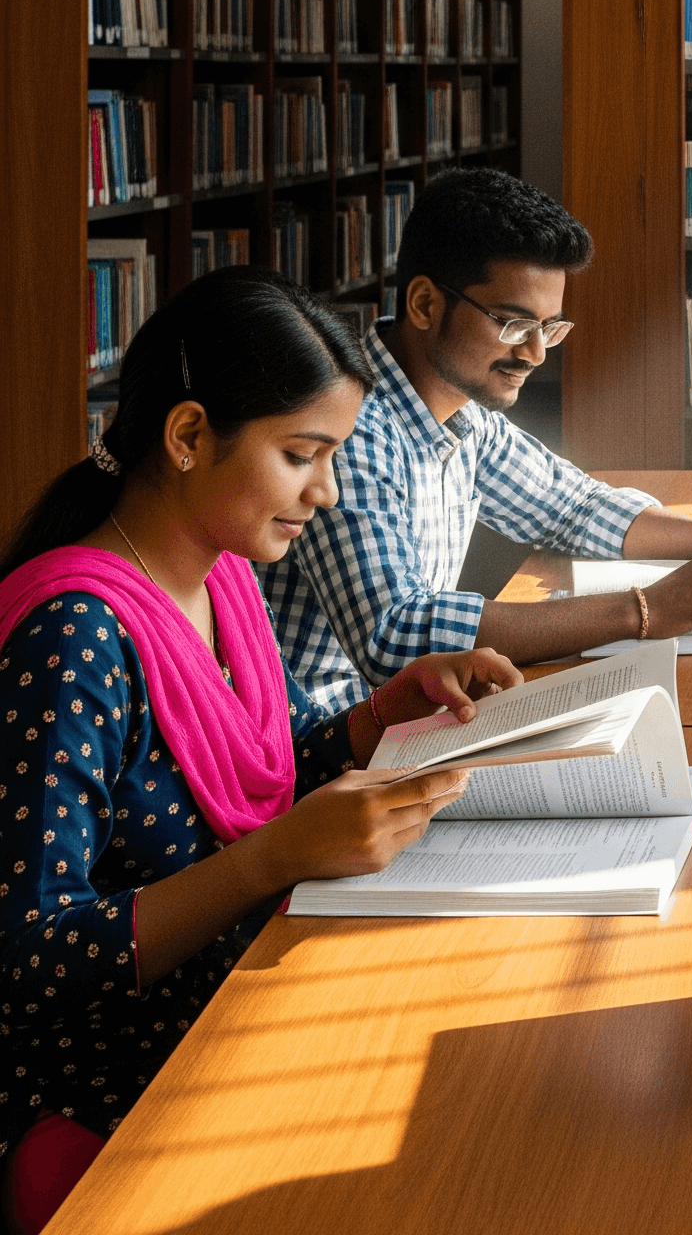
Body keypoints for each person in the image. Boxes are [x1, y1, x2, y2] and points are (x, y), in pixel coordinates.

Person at [0, 268, 518, 1234]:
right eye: (300, 456)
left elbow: (252, 773)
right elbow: (32, 956)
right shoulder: (74, 637)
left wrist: (378, 716)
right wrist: (272, 860)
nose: (327, 492)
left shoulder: (225, 580)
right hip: (123, 1078)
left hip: (236, 1000)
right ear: (189, 437)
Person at [263, 167, 692, 716]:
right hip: (329, 738)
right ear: (426, 305)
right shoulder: (350, 429)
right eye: (513, 324)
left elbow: (571, 506)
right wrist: (645, 609)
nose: (534, 354)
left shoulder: (461, 410)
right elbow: (397, 634)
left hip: (408, 717)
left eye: (549, 328)